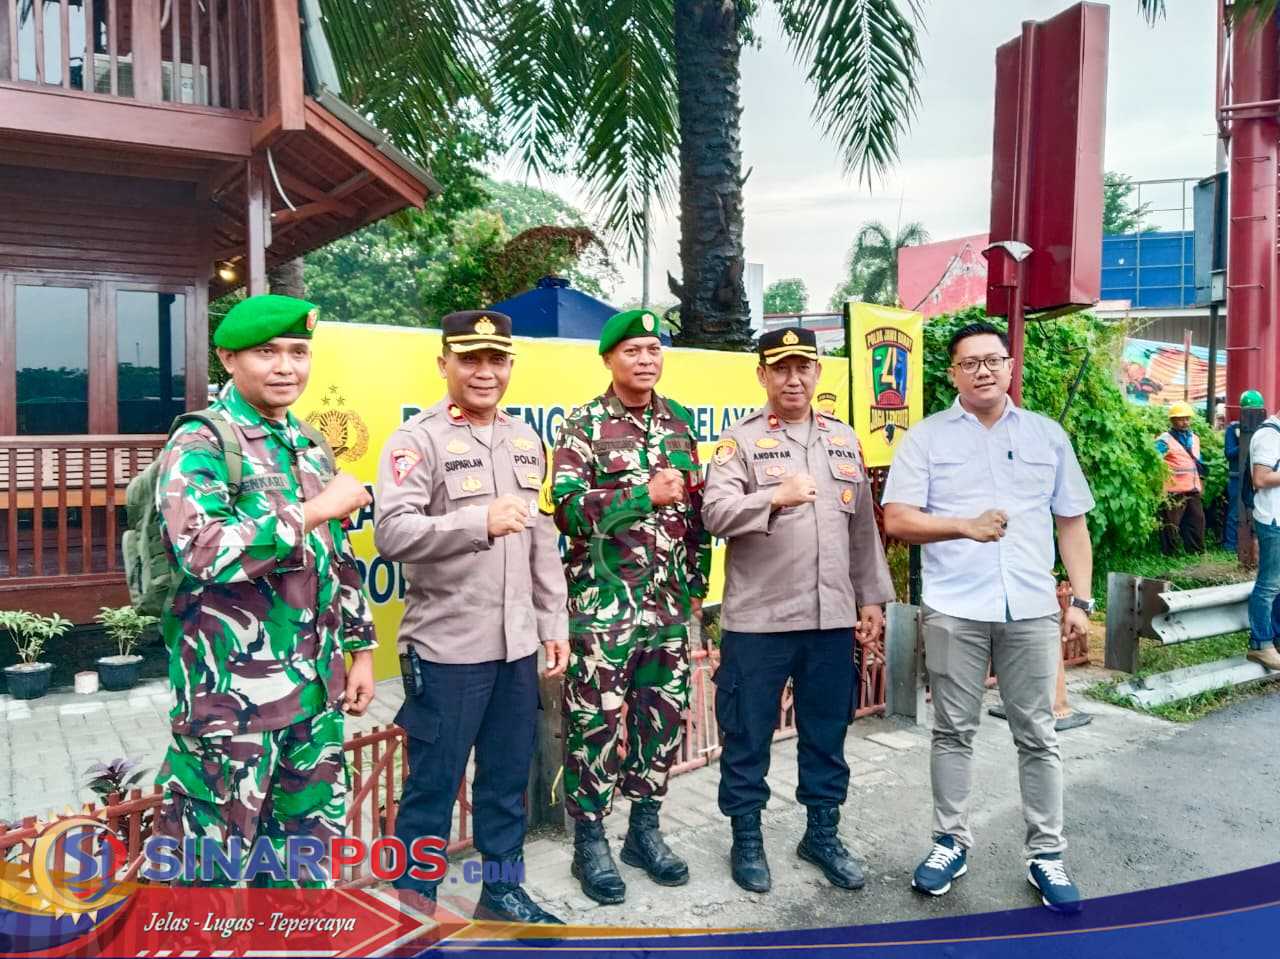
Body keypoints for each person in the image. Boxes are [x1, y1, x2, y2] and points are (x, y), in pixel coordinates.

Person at [152, 294, 377, 887]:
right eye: (267, 352)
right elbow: (202, 549)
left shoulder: (307, 442)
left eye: (298, 353)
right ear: (229, 358)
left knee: (307, 861)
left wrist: (361, 652)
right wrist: (310, 511)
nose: (286, 367)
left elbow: (338, 559)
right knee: (208, 874)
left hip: (313, 695)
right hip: (232, 707)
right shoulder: (202, 442)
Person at [882, 321, 1095, 915]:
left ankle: (1047, 854)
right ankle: (950, 841)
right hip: (955, 607)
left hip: (1030, 609)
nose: (982, 370)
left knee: (1039, 734)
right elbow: (897, 519)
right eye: (969, 362)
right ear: (952, 373)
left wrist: (1080, 601)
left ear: (1009, 367)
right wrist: (964, 526)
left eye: (993, 360)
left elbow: (1071, 522)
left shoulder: (1047, 436)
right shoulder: (926, 439)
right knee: (953, 731)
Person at [374, 310, 568, 923]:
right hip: (447, 650)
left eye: (497, 360)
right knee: (432, 788)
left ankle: (502, 893)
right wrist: (473, 521)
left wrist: (553, 624)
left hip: (515, 648)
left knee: (506, 784)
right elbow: (392, 532)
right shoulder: (417, 440)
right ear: (444, 365)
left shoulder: (526, 440)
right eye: (470, 360)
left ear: (510, 365)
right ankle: (415, 905)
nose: (485, 373)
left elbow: (542, 543)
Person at [701, 327, 894, 894]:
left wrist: (871, 597)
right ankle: (747, 839)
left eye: (804, 367)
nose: (793, 378)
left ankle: (822, 833)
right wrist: (773, 497)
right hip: (759, 623)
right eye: (781, 368)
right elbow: (714, 514)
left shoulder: (842, 439)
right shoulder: (740, 443)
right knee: (748, 735)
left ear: (816, 373)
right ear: (762, 374)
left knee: (827, 733)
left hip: (832, 620)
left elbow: (863, 529)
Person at [551, 308, 711, 904]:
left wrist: (696, 586)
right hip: (603, 607)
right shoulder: (583, 426)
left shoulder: (679, 423)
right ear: (608, 360)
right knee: (595, 722)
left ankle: (644, 830)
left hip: (668, 605)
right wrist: (641, 495)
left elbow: (696, 516)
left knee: (661, 717)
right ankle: (589, 839)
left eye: (653, 349)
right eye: (633, 351)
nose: (645, 359)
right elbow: (565, 511)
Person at [1245, 398, 1280, 670]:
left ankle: (1274, 639)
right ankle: (1261, 644)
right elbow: (1261, 478)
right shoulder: (1269, 435)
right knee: (1268, 585)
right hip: (1272, 520)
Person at [1155, 401, 1206, 555]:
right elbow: (1156, 461)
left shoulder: (1194, 438)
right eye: (1181, 419)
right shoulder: (1164, 440)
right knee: (1170, 524)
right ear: (1172, 420)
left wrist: (1201, 481)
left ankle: (1196, 551)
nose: (1185, 422)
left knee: (1196, 521)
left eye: (1187, 418)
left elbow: (1198, 461)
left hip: (1192, 488)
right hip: (1173, 490)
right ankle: (1170, 553)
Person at [1224, 391, 1265, 552]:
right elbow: (1229, 453)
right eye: (1249, 411)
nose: (1252, 416)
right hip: (1236, 476)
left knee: (1257, 510)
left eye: (1256, 412)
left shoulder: (1265, 429)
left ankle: (1254, 544)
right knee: (1236, 511)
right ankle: (1230, 545)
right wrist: (1245, 442)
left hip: (1257, 476)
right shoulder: (1233, 429)